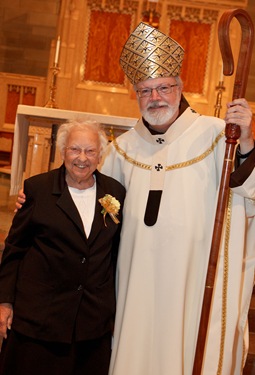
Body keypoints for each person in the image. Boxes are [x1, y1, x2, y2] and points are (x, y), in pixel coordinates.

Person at [16, 23, 255, 374]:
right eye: (145, 90)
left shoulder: (219, 136)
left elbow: (246, 189)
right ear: (135, 94)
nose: (156, 97)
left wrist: (248, 143)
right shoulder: (121, 151)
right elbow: (81, 191)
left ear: (180, 87)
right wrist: (34, 199)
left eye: (164, 87)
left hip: (192, 282)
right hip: (134, 282)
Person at [0, 119, 125, 375]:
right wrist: (4, 302)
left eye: (90, 151)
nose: (82, 158)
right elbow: (15, 249)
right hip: (40, 320)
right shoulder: (38, 189)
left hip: (91, 325)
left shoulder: (115, 192)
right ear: (62, 152)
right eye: (74, 149)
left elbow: (115, 250)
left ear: (101, 155)